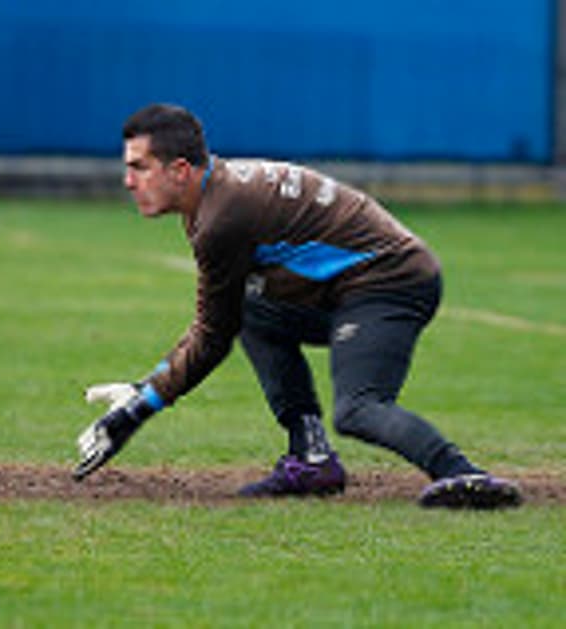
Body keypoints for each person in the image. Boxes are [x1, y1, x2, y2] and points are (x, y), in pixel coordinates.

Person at [72, 103, 522, 509]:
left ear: (182, 170)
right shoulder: (215, 194)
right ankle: (312, 457)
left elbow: (211, 336)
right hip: (355, 285)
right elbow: (224, 322)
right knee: (251, 310)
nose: (129, 181)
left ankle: (463, 474)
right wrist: (145, 392)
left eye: (140, 168)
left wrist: (137, 409)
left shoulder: (221, 219)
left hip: (391, 283)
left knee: (358, 408)